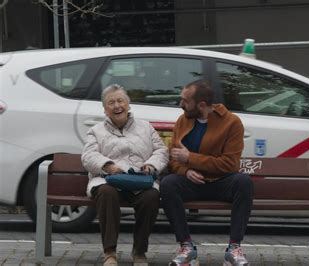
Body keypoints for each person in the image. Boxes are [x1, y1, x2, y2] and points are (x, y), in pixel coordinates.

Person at [160, 79, 254, 266]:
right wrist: (185, 171)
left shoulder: (232, 122)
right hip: (192, 182)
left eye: (185, 101)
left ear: (201, 105)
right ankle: (186, 247)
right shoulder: (182, 120)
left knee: (244, 182)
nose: (181, 105)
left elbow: (230, 164)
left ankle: (234, 248)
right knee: (168, 184)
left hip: (221, 182)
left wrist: (191, 159)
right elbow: (173, 160)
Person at [81, 84, 169, 266]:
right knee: (106, 193)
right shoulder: (96, 130)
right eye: (111, 103)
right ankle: (110, 253)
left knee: (151, 196)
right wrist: (108, 165)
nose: (116, 106)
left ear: (128, 105)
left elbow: (161, 151)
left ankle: (139, 252)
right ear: (105, 109)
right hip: (108, 180)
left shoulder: (146, 127)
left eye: (120, 101)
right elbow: (88, 156)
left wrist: (151, 165)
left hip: (140, 180)